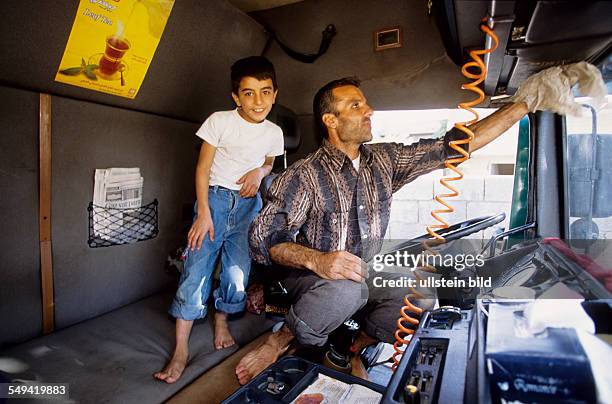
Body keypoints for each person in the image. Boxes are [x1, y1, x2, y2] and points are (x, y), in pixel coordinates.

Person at [233, 71, 547, 384]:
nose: (368, 111)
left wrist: (525, 103)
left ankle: (352, 347)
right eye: (356, 106)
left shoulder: (385, 160)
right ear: (330, 120)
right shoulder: (304, 176)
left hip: (363, 269)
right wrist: (319, 260)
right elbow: (265, 238)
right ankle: (280, 340)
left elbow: (452, 147)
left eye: (365, 104)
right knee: (347, 289)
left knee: (421, 292)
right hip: (312, 279)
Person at [155, 56, 284, 384]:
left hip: (247, 206)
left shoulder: (274, 132)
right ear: (235, 97)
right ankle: (181, 350)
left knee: (237, 273)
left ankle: (222, 319)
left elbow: (269, 162)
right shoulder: (220, 121)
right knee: (196, 268)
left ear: (274, 94)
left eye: (265, 92)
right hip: (214, 198)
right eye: (249, 93)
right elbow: (201, 168)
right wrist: (203, 213)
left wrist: (260, 171)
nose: (258, 101)